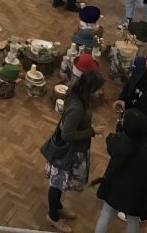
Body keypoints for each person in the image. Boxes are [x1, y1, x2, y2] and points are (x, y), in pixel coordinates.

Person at [44, 71, 106, 233]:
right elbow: (67, 135)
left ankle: (57, 207)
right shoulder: (77, 108)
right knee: (57, 185)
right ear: (89, 89)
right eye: (98, 89)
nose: (101, 92)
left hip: (71, 151)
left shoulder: (79, 98)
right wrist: (92, 131)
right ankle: (53, 216)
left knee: (60, 185)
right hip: (67, 154)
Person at [93, 108, 147, 233]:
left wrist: (120, 129)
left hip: (114, 186)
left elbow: (111, 139)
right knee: (133, 221)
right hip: (136, 193)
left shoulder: (116, 142)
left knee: (105, 214)